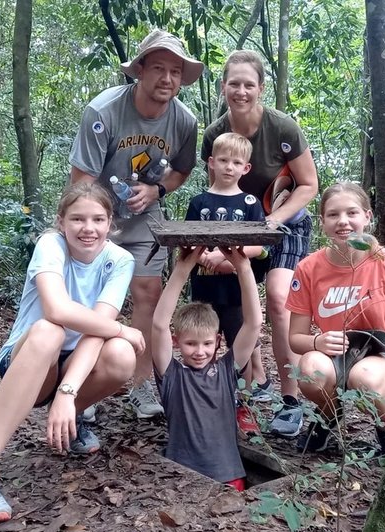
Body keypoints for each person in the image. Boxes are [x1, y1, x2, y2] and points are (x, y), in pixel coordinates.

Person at [0, 183, 145, 526]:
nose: (88, 228)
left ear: (110, 222)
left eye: (98, 219)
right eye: (78, 219)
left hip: (77, 365)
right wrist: (121, 327)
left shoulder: (120, 260)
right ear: (61, 222)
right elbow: (56, 309)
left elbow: (97, 330)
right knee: (50, 330)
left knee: (121, 355)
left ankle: (72, 418)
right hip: (31, 357)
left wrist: (68, 395)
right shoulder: (50, 244)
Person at [70, 29, 204, 420]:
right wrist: (95, 226)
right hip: (96, 217)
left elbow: (181, 169)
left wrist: (156, 191)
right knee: (89, 298)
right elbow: (82, 181)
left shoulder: (184, 120)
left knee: (148, 293)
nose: (167, 79)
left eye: (175, 71)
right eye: (159, 68)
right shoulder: (104, 112)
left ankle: (142, 384)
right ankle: (83, 383)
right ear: (139, 71)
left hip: (144, 219)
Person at [201, 49, 320, 437]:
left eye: (248, 84)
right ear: (223, 87)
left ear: (261, 88)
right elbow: (213, 190)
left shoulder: (282, 128)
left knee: (277, 300)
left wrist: (272, 221)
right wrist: (214, 247)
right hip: (236, 230)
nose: (240, 91)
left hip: (284, 225)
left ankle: (290, 401)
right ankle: (253, 383)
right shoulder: (214, 134)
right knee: (232, 304)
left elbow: (308, 185)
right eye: (233, 83)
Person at [285, 182, 385, 455]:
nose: (343, 222)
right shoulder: (309, 268)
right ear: (322, 221)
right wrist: (317, 341)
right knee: (309, 371)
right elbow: (295, 339)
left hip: (379, 357)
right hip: (332, 354)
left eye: (352, 213)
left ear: (367, 217)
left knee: (366, 379)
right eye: (333, 215)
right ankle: (329, 416)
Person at [152, 245, 262, 491]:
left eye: (207, 343)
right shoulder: (171, 375)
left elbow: (254, 324)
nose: (199, 351)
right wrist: (183, 268)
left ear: (218, 342)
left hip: (230, 476)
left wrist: (243, 268)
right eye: (191, 344)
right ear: (176, 341)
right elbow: (159, 324)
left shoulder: (226, 371)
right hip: (181, 479)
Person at [184, 132, 268, 434]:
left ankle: (243, 404)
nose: (229, 167)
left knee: (239, 346)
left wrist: (229, 258)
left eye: (236, 162)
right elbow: (188, 242)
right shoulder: (199, 202)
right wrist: (204, 255)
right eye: (223, 160)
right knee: (203, 345)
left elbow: (260, 244)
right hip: (204, 289)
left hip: (236, 292)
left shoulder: (250, 203)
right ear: (211, 163)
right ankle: (202, 398)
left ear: (246, 168)